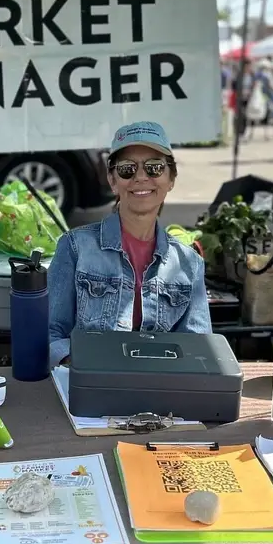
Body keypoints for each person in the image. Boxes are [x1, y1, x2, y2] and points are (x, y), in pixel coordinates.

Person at [47, 121, 211, 368]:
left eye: (154, 168)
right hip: (90, 390)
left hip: (162, 393)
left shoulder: (190, 264)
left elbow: (199, 347)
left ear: (171, 179)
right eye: (127, 169)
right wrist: (80, 363)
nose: (141, 177)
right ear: (112, 180)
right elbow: (49, 332)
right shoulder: (75, 247)